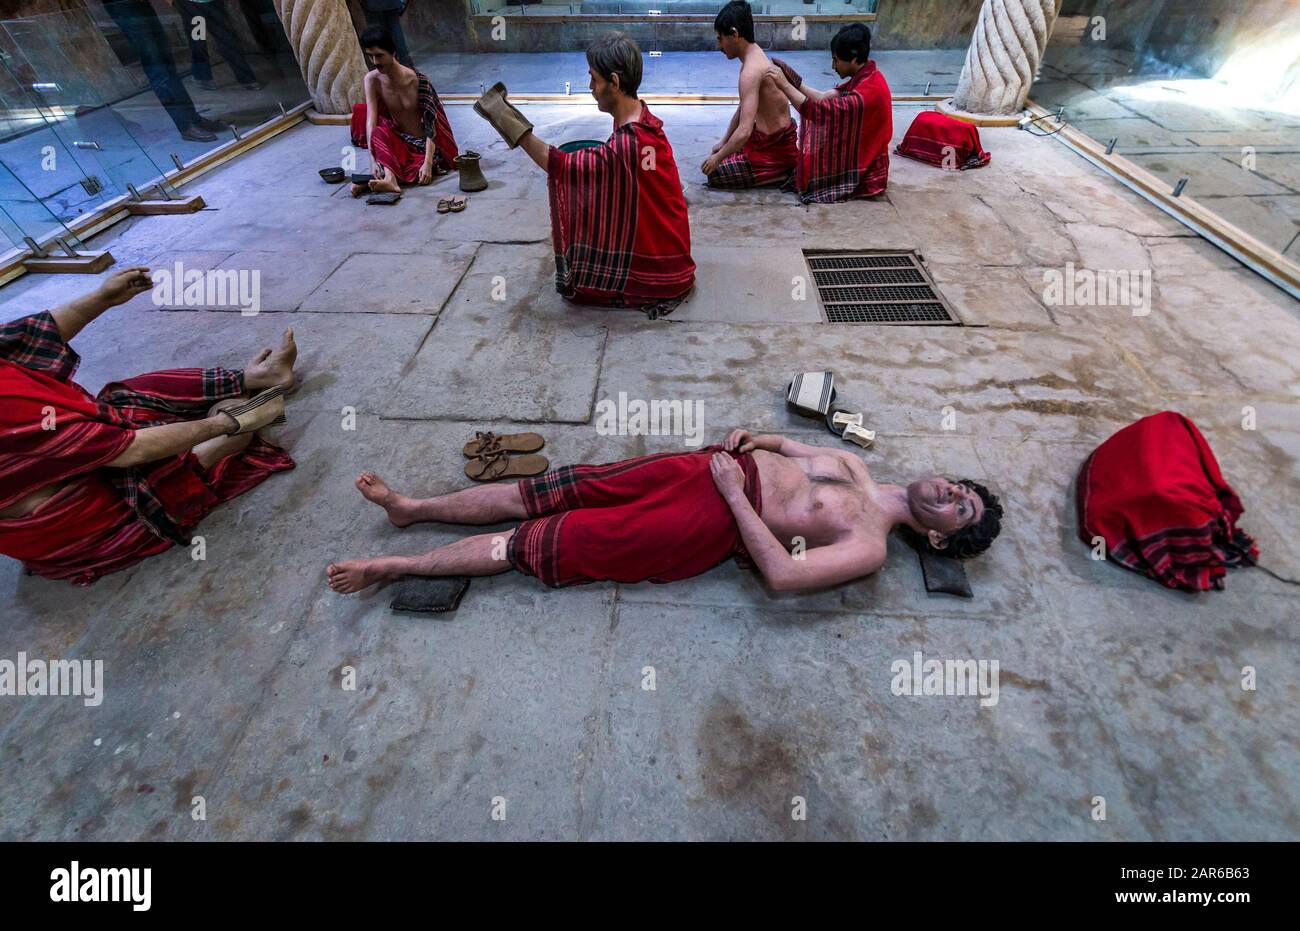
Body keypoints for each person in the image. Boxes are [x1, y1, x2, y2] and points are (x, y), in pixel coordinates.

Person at [326, 430, 1003, 594]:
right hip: (707, 467)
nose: (948, 493)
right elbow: (787, 443)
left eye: (958, 508)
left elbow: (781, 575)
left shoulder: (870, 545)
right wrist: (754, 438)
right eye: (958, 486)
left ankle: (396, 565)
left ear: (941, 541)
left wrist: (737, 495)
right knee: (555, 487)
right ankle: (411, 508)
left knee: (544, 537)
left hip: (711, 519)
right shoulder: (855, 465)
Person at [0, 270, 296, 584]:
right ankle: (216, 442)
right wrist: (226, 423)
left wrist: (104, 298)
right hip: (84, 518)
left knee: (123, 396)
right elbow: (130, 450)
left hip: (81, 461)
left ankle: (258, 378)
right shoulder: (11, 409)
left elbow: (28, 338)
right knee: (222, 438)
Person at [491, 33, 695, 313]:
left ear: (615, 82)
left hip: (664, 274)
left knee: (575, 290)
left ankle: (640, 277)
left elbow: (559, 165)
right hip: (675, 258)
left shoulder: (628, 143)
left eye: (594, 79)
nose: (590, 88)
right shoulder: (641, 116)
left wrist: (512, 125)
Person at [766, 23, 892, 203]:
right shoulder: (866, 75)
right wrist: (794, 81)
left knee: (809, 176)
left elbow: (817, 111)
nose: (833, 66)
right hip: (861, 150)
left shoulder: (867, 93)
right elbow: (824, 98)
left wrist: (784, 85)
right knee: (806, 167)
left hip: (866, 167)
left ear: (854, 59)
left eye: (836, 60)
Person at [349, 25, 458, 196]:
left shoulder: (419, 81)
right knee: (378, 132)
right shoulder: (372, 80)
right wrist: (373, 159)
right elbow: (371, 122)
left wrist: (428, 163)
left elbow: (432, 126)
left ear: (393, 53)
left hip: (424, 146)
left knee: (418, 169)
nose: (375, 62)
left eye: (379, 55)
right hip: (400, 140)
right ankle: (390, 180)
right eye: (370, 56)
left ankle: (375, 182)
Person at [702, 1, 797, 189]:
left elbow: (745, 131)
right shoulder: (754, 56)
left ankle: (782, 172)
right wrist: (724, 142)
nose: (719, 45)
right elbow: (743, 109)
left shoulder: (751, 70)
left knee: (715, 174)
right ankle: (780, 167)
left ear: (735, 34)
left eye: (721, 38)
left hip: (776, 150)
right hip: (768, 140)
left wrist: (717, 159)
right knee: (724, 154)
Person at [101, 0, 225, 142]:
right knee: (157, 67)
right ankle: (185, 125)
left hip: (138, 5)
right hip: (124, 6)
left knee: (165, 63)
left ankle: (193, 119)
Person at [172, 0, 264, 91]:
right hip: (192, 5)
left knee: (224, 39)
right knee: (201, 41)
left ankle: (247, 79)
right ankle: (203, 78)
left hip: (208, 3)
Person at [361, 0, 413, 67]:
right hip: (392, 3)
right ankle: (405, 62)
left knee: (376, 34)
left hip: (373, 5)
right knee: (396, 30)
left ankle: (384, 65)